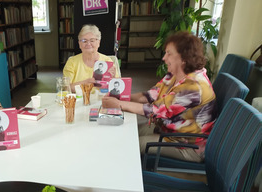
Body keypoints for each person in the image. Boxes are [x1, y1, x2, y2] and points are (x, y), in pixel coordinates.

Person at [102, 31, 216, 163]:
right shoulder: (175, 74)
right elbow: (149, 96)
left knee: (132, 144)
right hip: (169, 131)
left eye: (169, 54)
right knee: (126, 131)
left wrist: (120, 104)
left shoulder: (194, 86)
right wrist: (120, 97)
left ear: (184, 58)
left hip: (188, 145)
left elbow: (155, 110)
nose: (164, 58)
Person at [63, 24, 117, 92]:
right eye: (84, 41)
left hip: (100, 99)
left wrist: (113, 79)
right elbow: (66, 88)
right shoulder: (72, 62)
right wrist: (85, 82)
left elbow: (116, 89)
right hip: (78, 100)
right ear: (79, 44)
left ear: (98, 43)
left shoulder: (107, 61)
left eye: (92, 40)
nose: (88, 44)